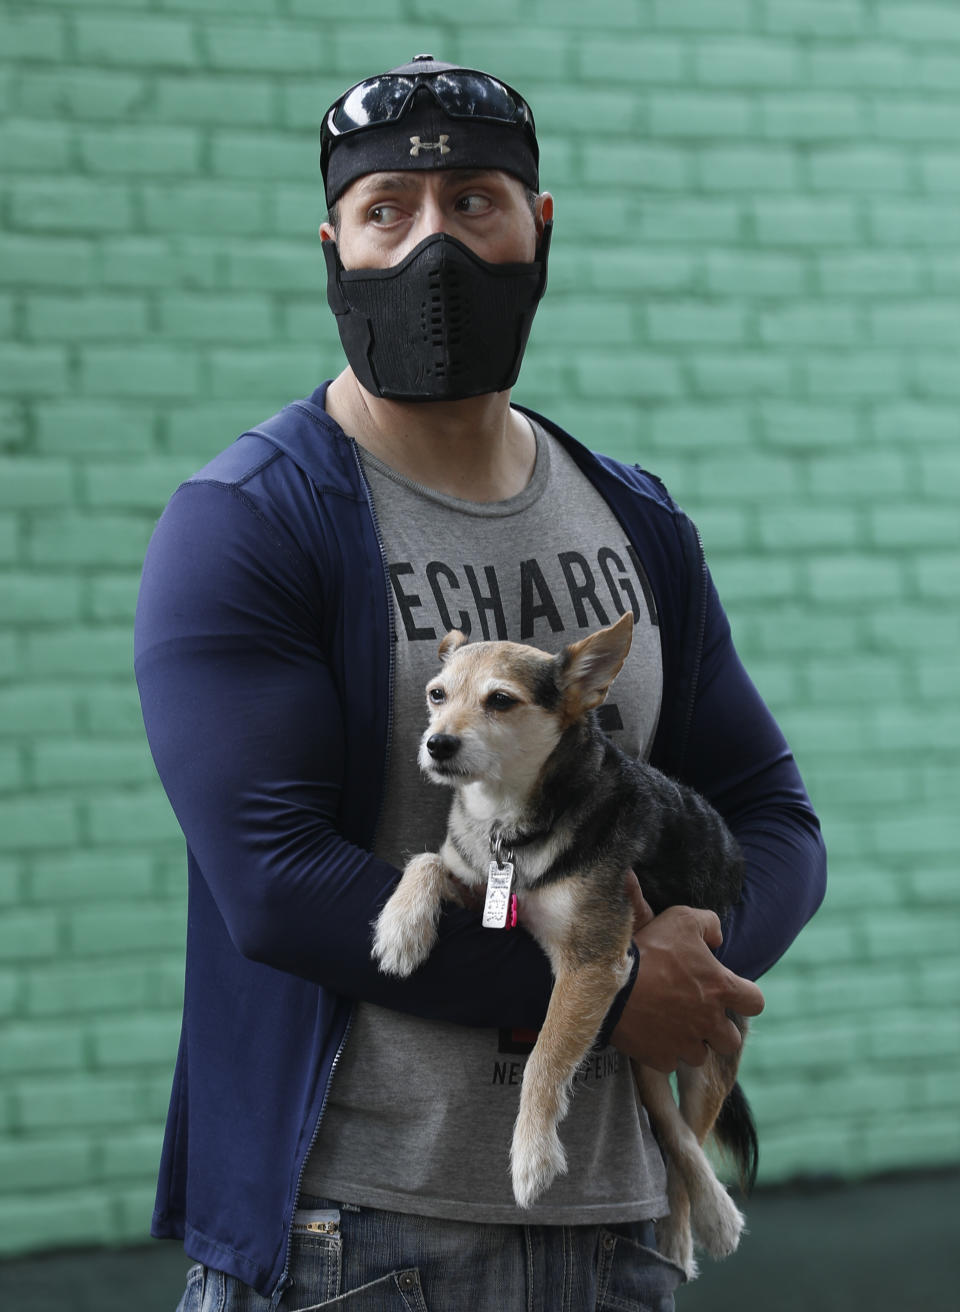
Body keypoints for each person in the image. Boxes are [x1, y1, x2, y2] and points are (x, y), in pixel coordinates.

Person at [135, 55, 826, 1312]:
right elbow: (276, 882)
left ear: (538, 227)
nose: (431, 246)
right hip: (349, 1233)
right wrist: (610, 988)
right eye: (387, 208)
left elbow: (775, 816)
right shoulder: (249, 523)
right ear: (334, 245)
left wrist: (697, 951)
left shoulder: (634, 517)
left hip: (616, 1222)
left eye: (475, 201)